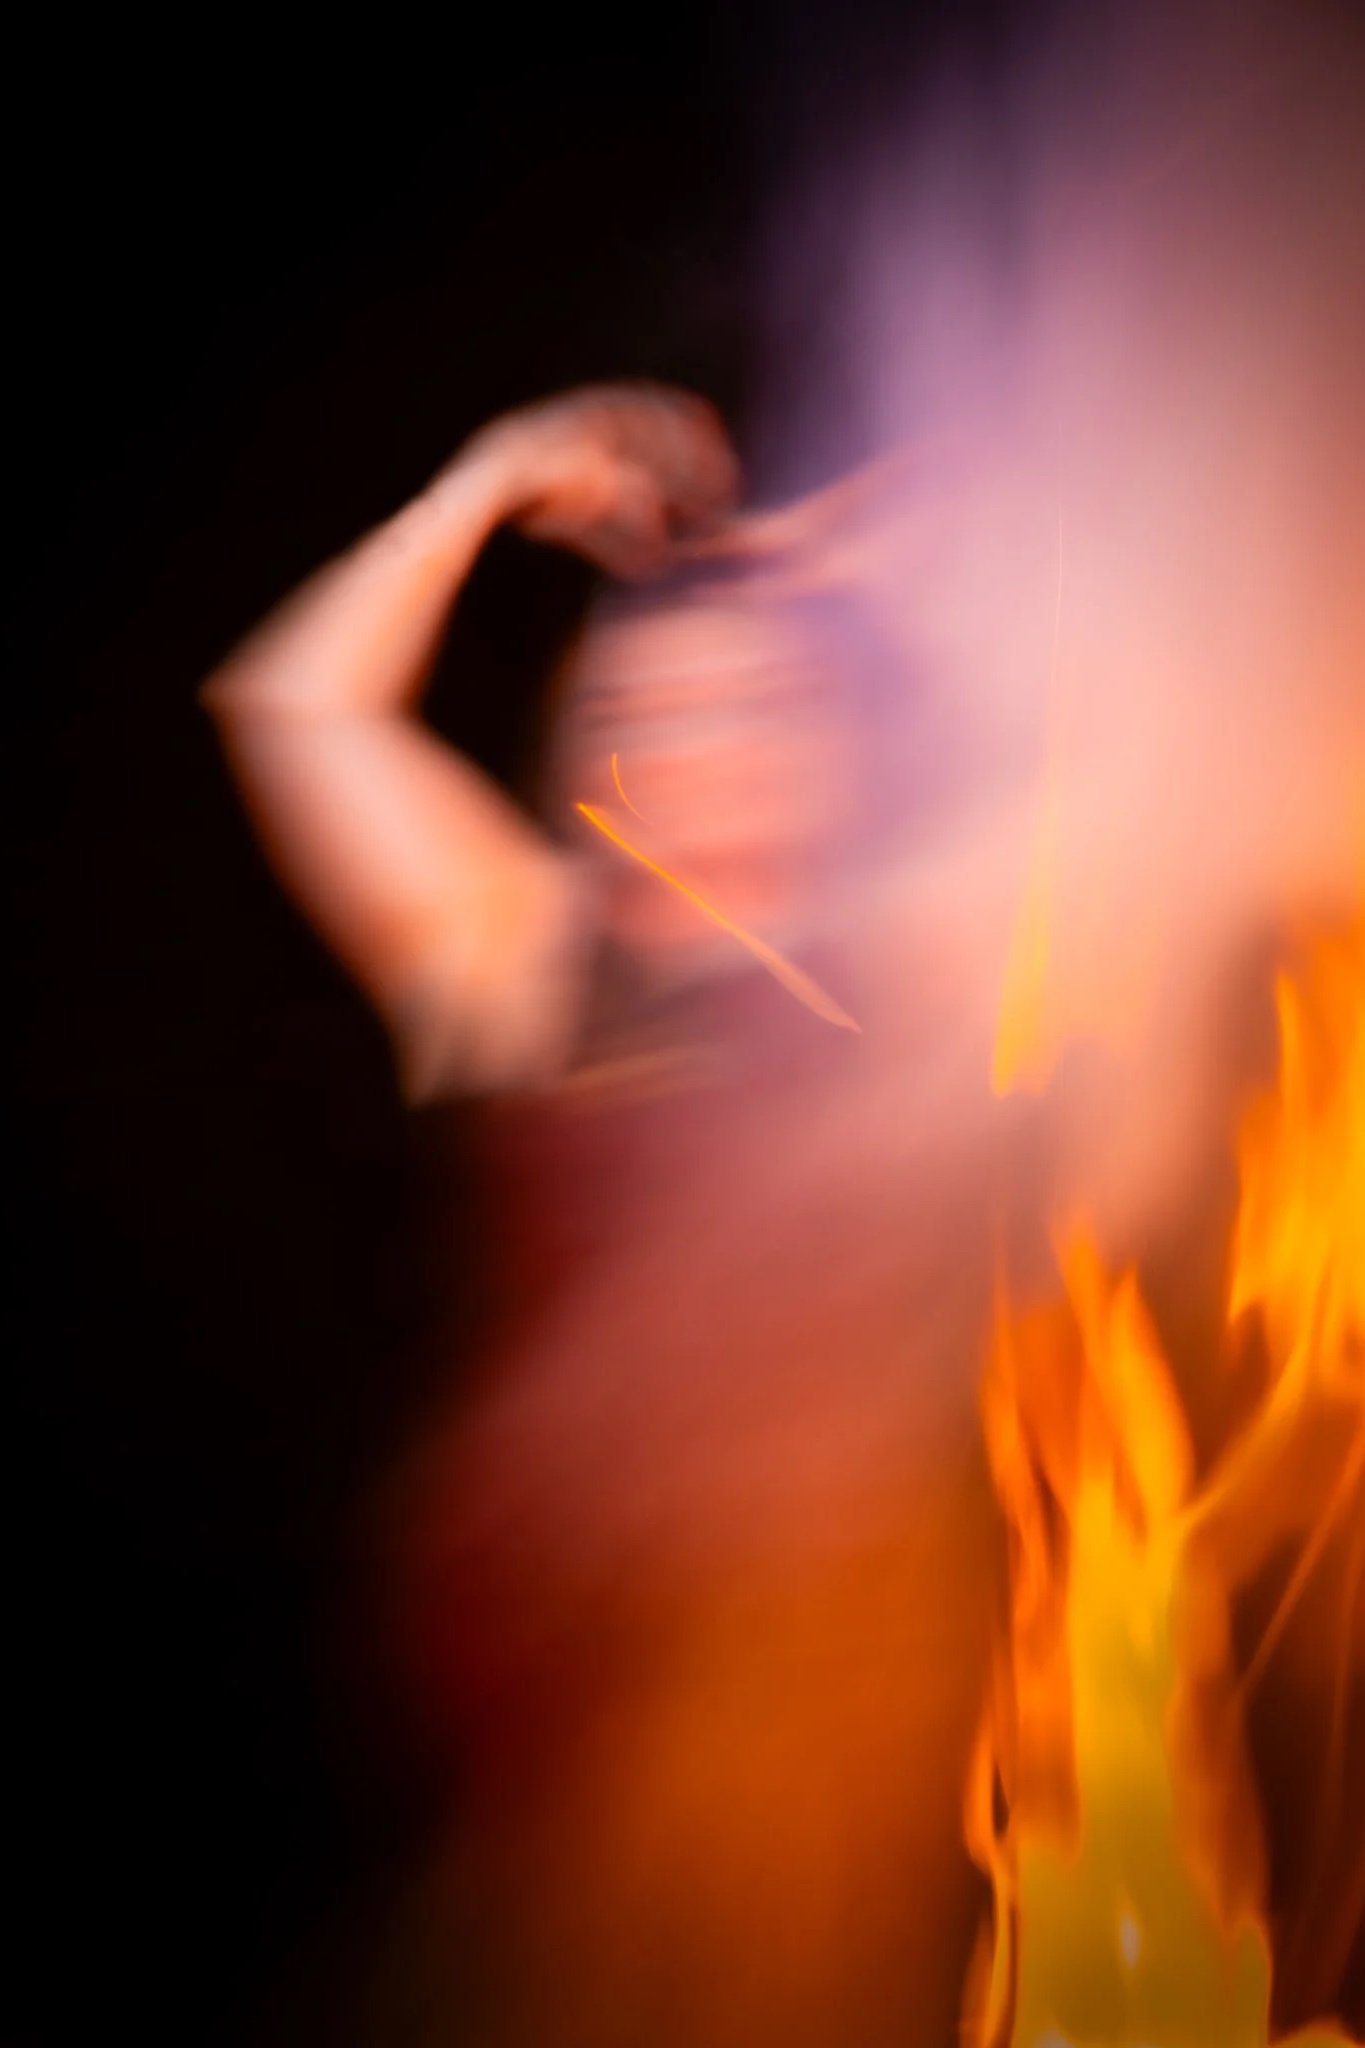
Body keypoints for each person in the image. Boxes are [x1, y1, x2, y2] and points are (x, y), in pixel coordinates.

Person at [204, 384, 1003, 2046]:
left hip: (872, 1704)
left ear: (825, 749)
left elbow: (1103, 641)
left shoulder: (913, 972)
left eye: (744, 705)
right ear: (584, 753)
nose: (690, 745)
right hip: (589, 1703)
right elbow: (293, 705)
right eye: (641, 707)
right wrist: (477, 490)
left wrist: (820, 565)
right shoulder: (524, 960)